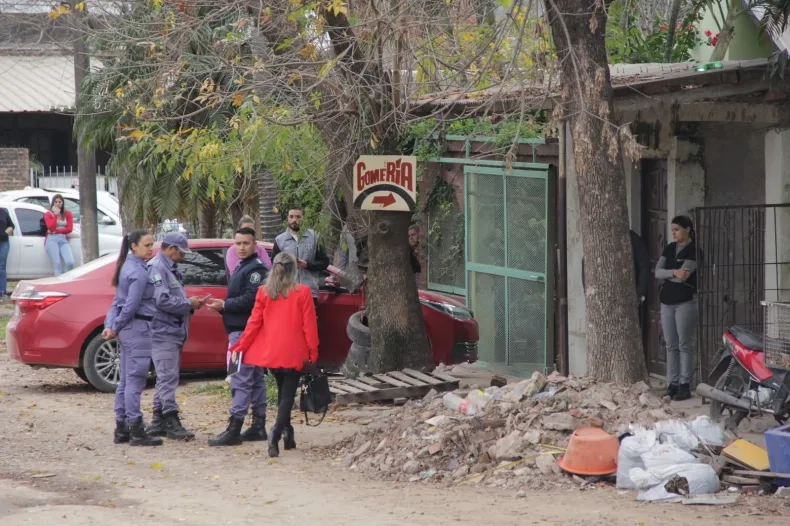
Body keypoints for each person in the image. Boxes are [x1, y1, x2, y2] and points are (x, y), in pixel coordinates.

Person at [230, 252, 319, 458]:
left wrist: (239, 347)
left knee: (282, 392)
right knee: (287, 396)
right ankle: (276, 433)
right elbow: (310, 327)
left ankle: (288, 433)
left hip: (272, 353)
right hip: (294, 352)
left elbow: (253, 324)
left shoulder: (264, 292)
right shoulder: (302, 292)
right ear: (293, 270)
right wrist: (313, 352)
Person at [207, 227, 269, 446]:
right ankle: (258, 425)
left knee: (241, 378)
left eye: (246, 243)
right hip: (242, 330)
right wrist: (224, 307)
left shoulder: (256, 270)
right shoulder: (243, 266)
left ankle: (235, 428)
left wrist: (225, 305)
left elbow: (252, 299)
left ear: (255, 245)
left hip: (244, 332)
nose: (241, 247)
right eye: (238, 243)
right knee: (254, 378)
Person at [103, 230, 161, 446]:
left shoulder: (126, 266)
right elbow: (130, 305)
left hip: (129, 327)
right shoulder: (138, 271)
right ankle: (136, 429)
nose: (150, 248)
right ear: (134, 246)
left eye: (151, 244)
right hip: (137, 327)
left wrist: (112, 325)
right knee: (135, 381)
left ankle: (122, 427)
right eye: (146, 245)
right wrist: (115, 326)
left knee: (126, 381)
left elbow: (117, 303)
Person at [146, 232, 204, 440]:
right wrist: (188, 304)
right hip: (163, 331)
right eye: (181, 253)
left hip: (174, 330)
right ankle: (170, 418)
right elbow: (161, 300)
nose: (184, 257)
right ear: (171, 249)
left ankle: (158, 420)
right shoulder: (157, 268)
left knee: (166, 377)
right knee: (167, 377)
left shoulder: (170, 270)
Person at [655, 216, 699, 402]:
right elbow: (658, 272)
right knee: (670, 345)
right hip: (667, 302)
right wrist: (673, 272)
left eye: (677, 229)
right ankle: (671, 383)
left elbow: (685, 276)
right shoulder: (669, 248)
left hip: (685, 302)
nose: (674, 233)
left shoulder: (694, 251)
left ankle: (684, 384)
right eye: (672, 229)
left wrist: (671, 275)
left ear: (688, 229)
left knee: (684, 344)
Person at [581, 229, 651, 322]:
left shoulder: (632, 239)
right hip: (601, 299)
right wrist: (587, 292)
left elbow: (644, 266)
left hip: (626, 298)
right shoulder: (596, 239)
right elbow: (586, 265)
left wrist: (639, 293)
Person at [272, 208, 329, 309]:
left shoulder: (315, 237)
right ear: (287, 218)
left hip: (309, 291)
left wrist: (307, 265)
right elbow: (274, 265)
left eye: (298, 217)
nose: (294, 220)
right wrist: (287, 266)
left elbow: (325, 262)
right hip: (287, 291)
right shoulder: (280, 240)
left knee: (309, 322)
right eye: (291, 217)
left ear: (304, 219)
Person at [44, 194, 74, 276]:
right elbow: (51, 227)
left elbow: (69, 228)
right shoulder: (48, 214)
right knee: (57, 263)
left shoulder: (68, 213)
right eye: (56, 202)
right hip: (52, 239)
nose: (58, 204)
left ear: (63, 203)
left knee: (70, 262)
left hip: (63, 239)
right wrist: (55, 215)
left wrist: (57, 231)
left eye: (60, 202)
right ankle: (58, 282)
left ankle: (68, 280)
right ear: (53, 203)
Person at [0, 208, 14, 300]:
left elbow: (11, 226)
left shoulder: (3, 211)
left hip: (3, 242)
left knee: (1, 266)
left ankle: (2, 291)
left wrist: (5, 232)